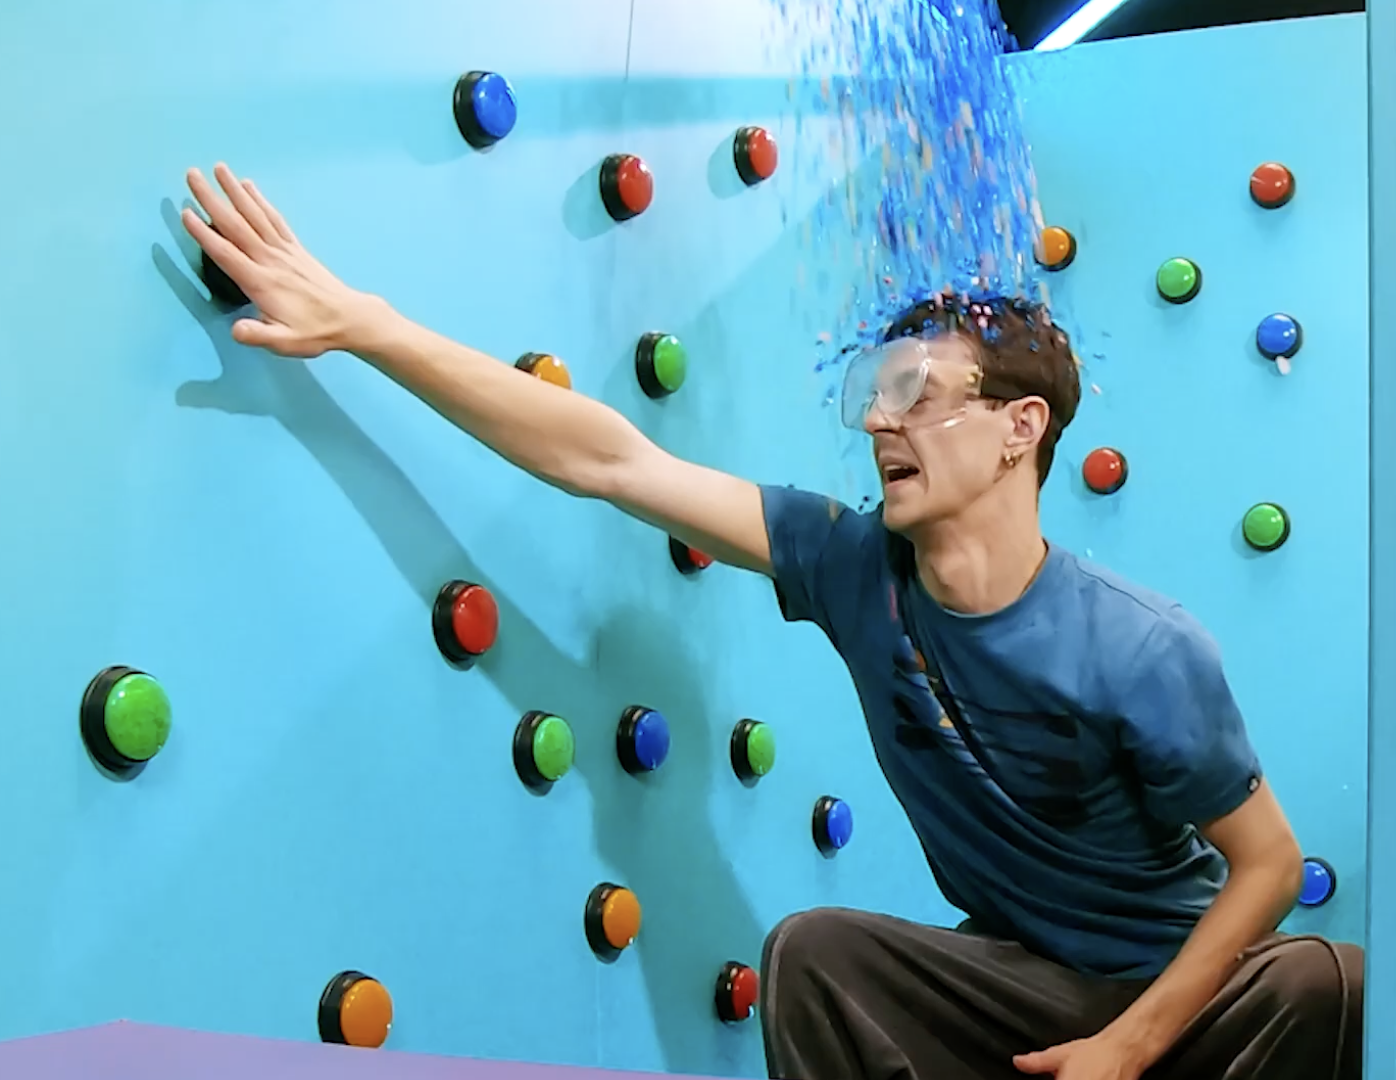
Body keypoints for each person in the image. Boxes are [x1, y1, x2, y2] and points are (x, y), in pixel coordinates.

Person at [180, 163, 1361, 1080]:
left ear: (1019, 429)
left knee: (1322, 980)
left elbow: (1261, 868)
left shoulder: (1142, 643)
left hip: (1181, 997)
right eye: (874, 398)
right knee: (816, 952)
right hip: (1018, 987)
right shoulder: (850, 565)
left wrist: (1130, 1049)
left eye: (918, 398)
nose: (880, 426)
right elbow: (607, 459)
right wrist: (366, 323)